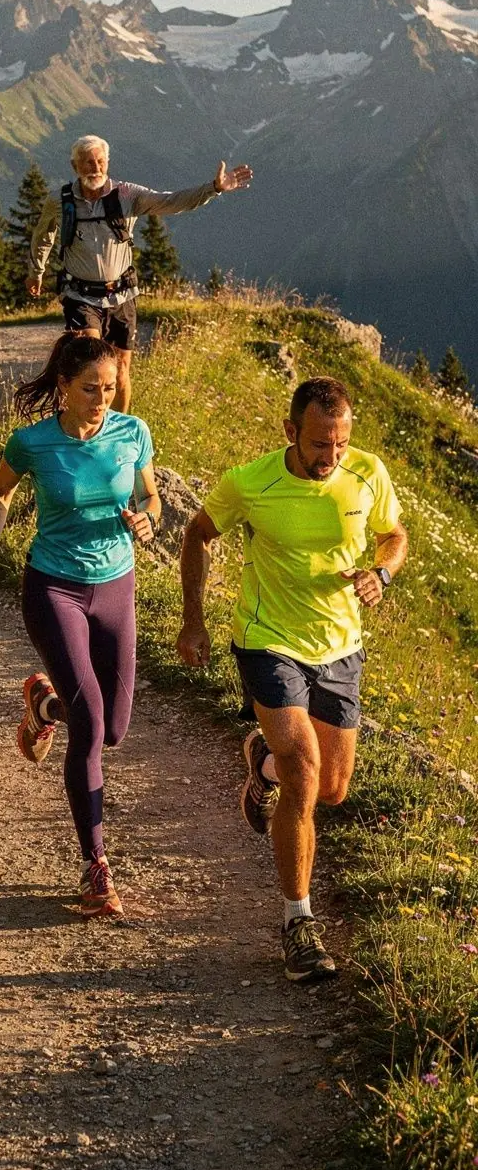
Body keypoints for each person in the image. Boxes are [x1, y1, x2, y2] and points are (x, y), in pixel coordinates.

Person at [176, 377, 408, 983]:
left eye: (339, 444)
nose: (330, 458)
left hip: (341, 645)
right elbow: (196, 535)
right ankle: (297, 923)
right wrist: (192, 622)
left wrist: (381, 574)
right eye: (317, 445)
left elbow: (394, 535)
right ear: (290, 433)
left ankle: (264, 763)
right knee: (305, 769)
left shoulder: (367, 472)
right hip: (267, 638)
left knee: (331, 789)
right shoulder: (250, 481)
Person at [0, 334, 160, 916]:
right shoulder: (32, 442)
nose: (102, 399)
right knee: (92, 724)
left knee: (114, 730)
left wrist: (147, 521)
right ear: (63, 387)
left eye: (108, 388)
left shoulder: (133, 433)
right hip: (53, 586)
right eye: (89, 389)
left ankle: (42, 705)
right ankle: (95, 865)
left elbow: (151, 497)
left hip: (117, 587)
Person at [25, 134, 253, 413]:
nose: (94, 168)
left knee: (120, 371)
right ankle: (82, 425)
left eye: (99, 161)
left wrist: (213, 188)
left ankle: (119, 431)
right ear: (75, 166)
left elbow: (169, 201)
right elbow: (43, 235)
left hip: (122, 295)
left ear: (107, 162)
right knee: (89, 365)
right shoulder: (59, 200)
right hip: (80, 296)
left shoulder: (126, 194)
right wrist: (36, 271)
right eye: (87, 163)